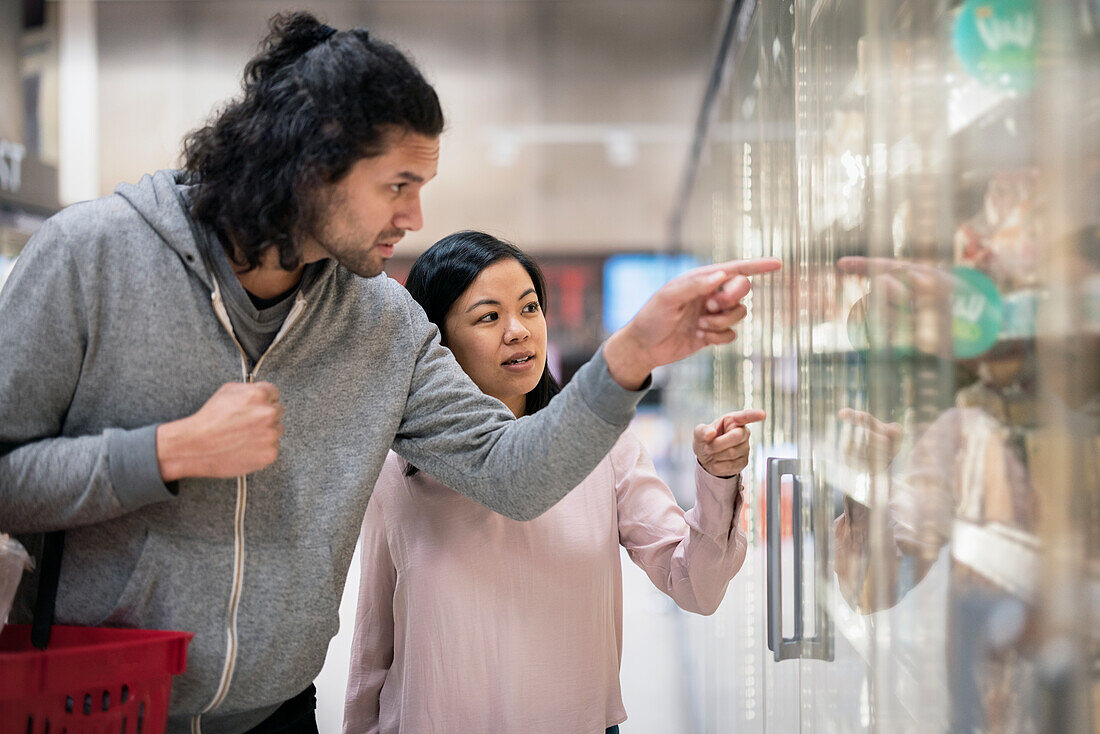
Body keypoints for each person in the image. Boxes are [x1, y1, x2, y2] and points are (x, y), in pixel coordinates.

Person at [0, 11, 781, 734]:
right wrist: (165, 454)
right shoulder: (91, 257)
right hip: (90, 706)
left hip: (275, 716)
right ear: (312, 165)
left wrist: (631, 356)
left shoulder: (379, 322)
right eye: (398, 186)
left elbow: (510, 469)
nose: (413, 218)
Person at [342, 231, 760, 734]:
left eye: (530, 307)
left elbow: (696, 584)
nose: (518, 331)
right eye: (488, 316)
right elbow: (374, 643)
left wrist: (718, 478)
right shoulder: (398, 466)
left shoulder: (604, 447)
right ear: (437, 341)